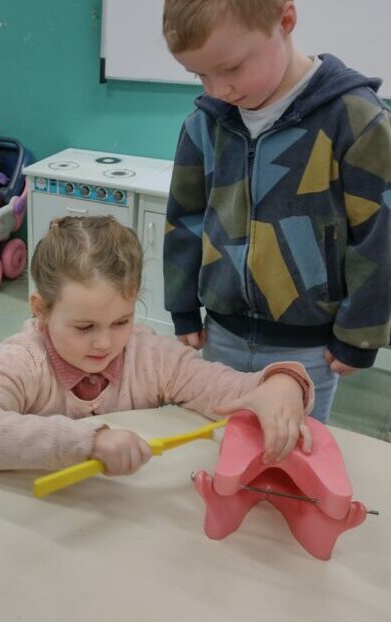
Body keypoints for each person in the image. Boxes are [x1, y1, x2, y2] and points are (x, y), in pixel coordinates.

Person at [161, 0, 391, 422]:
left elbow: (380, 237)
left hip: (308, 349)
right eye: (200, 75)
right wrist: (181, 305)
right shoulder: (204, 123)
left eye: (229, 69)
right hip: (222, 334)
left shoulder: (358, 121)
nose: (217, 90)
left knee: (291, 463)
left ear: (285, 21)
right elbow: (185, 216)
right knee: (222, 446)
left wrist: (359, 333)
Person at [0, 215, 314, 475]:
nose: (105, 342)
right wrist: (87, 442)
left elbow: (223, 390)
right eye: (84, 326)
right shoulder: (24, 359)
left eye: (121, 321)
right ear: (41, 310)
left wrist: (282, 383)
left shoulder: (147, 354)